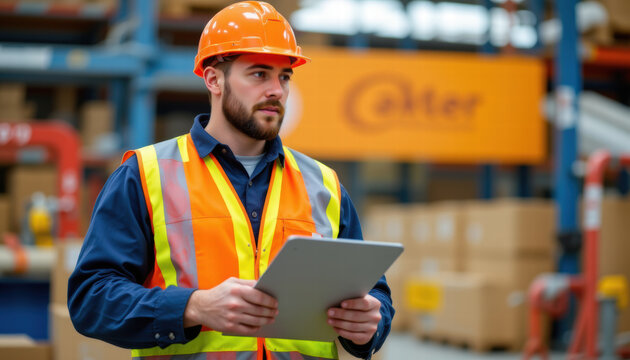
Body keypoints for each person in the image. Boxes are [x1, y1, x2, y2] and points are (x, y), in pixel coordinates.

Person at [68, 2, 394, 359]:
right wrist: (192, 307)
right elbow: (91, 297)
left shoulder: (324, 185)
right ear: (213, 79)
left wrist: (369, 324)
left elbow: (373, 292)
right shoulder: (145, 175)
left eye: (284, 77)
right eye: (259, 74)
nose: (277, 91)